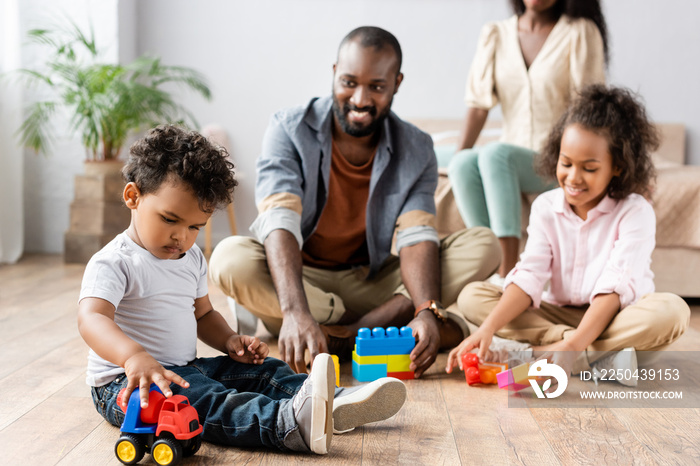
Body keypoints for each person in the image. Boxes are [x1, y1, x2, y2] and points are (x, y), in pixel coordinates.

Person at [77, 125, 407, 455]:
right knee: (207, 400)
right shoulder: (115, 262)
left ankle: (330, 401)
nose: (182, 237)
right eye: (169, 219)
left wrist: (229, 340)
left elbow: (203, 313)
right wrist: (133, 357)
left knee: (266, 371)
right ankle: (286, 423)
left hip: (187, 368)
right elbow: (91, 319)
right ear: (133, 197)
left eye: (195, 227)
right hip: (129, 384)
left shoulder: (190, 257)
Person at [209, 26, 500, 378]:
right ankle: (368, 327)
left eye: (377, 86)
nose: (360, 99)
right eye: (349, 82)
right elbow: (279, 219)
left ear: (396, 83)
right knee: (228, 259)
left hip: (369, 280)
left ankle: (345, 334)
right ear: (334, 74)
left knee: (485, 245)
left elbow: (416, 235)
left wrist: (424, 307)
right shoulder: (288, 128)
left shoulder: (417, 147)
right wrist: (296, 310)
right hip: (301, 280)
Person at [445, 85, 691, 385]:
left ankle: (548, 353)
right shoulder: (546, 206)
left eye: (589, 168)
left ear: (618, 167)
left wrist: (574, 346)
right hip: (557, 316)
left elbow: (616, 285)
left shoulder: (635, 211)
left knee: (672, 312)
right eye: (566, 163)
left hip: (615, 316)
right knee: (473, 296)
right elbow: (529, 275)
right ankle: (595, 358)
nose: (573, 178)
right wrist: (485, 330)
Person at [446, 0, 608, 279]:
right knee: (462, 163)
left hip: (556, 159)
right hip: (509, 154)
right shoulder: (496, 33)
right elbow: (478, 106)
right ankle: (487, 267)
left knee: (495, 154)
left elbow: (590, 108)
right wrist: (458, 158)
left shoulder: (579, 32)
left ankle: (508, 273)